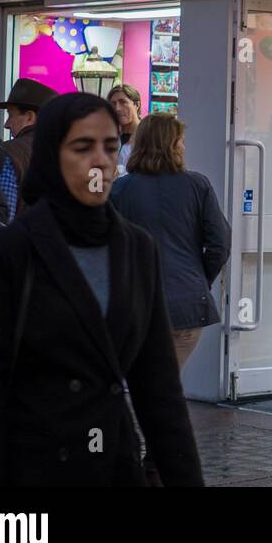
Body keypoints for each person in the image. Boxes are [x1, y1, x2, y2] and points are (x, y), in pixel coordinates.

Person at [0, 92, 203, 486]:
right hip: (32, 468)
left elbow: (159, 390)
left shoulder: (135, 249)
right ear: (53, 155)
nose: (100, 160)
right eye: (82, 147)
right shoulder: (8, 253)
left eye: (110, 146)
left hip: (112, 464)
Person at [110, 114, 231, 369]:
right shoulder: (198, 185)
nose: (184, 147)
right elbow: (220, 243)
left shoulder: (119, 190)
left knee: (142, 385)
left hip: (137, 304)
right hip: (186, 305)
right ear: (171, 145)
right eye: (181, 141)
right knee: (164, 387)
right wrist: (200, 278)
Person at [0, 78, 58, 222]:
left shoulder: (9, 153)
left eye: (11, 115)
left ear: (29, 117)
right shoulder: (68, 153)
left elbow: (2, 220)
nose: (7, 124)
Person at [108, 84, 142, 175]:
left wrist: (119, 171)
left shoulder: (149, 136)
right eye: (113, 104)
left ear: (137, 105)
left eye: (123, 102)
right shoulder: (109, 137)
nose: (117, 108)